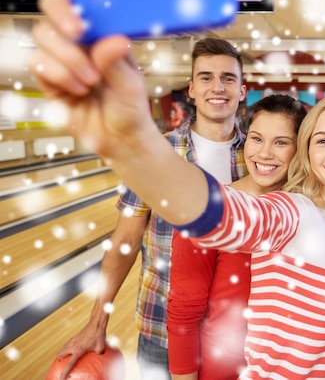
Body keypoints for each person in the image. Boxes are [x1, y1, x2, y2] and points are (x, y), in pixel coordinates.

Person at [31, 0, 325, 378]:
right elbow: (221, 214)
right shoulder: (289, 214)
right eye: (322, 139)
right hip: (168, 326)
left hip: (230, 343)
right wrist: (139, 143)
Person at [51, 33, 248, 379]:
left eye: (228, 78)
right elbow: (125, 241)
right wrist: (98, 322)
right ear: (191, 89)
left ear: (242, 91)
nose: (218, 87)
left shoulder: (261, 157)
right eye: (206, 77)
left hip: (237, 333)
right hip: (161, 329)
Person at [167, 94, 307, 380]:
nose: (265, 153)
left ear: (300, 149)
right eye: (256, 139)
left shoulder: (310, 216)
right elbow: (183, 314)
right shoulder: (210, 208)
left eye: (281, 142)